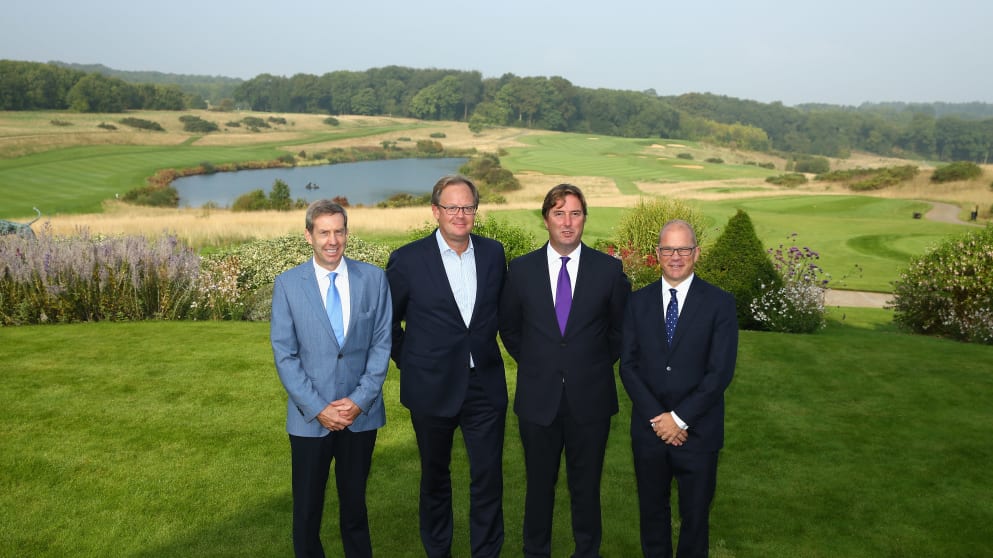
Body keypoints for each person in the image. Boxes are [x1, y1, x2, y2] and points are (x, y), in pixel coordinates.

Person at [499, 183, 630, 558]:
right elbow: (508, 326)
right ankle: (535, 551)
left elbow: (620, 330)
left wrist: (591, 364)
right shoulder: (521, 269)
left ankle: (586, 550)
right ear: (546, 219)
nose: (567, 222)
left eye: (575, 213)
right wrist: (539, 362)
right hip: (538, 398)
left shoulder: (609, 270)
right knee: (539, 485)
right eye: (559, 213)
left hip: (590, 398)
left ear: (585, 218)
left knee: (585, 485)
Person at [386, 175, 508, 558]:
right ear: (435, 211)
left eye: (468, 207)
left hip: (484, 387)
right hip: (431, 387)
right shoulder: (407, 260)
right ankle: (438, 550)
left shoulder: (493, 253)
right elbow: (387, 323)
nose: (460, 215)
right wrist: (410, 361)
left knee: (488, 478)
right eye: (452, 207)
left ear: (475, 211)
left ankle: (486, 551)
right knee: (435, 478)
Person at [270, 200, 393, 558]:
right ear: (308, 235)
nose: (332, 240)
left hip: (361, 416)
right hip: (310, 420)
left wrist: (358, 401)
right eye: (323, 232)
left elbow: (381, 345)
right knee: (307, 512)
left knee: (355, 508)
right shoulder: (289, 284)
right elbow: (285, 355)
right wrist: (319, 407)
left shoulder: (373, 279)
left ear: (347, 234)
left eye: (339, 231)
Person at [619, 219, 738, 558]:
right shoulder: (637, 302)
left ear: (696, 253)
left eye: (683, 249)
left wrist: (681, 419)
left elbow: (720, 372)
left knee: (695, 519)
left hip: (699, 433)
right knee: (652, 517)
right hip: (650, 431)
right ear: (657, 254)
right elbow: (628, 365)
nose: (675, 256)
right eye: (668, 249)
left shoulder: (720, 304)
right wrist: (660, 417)